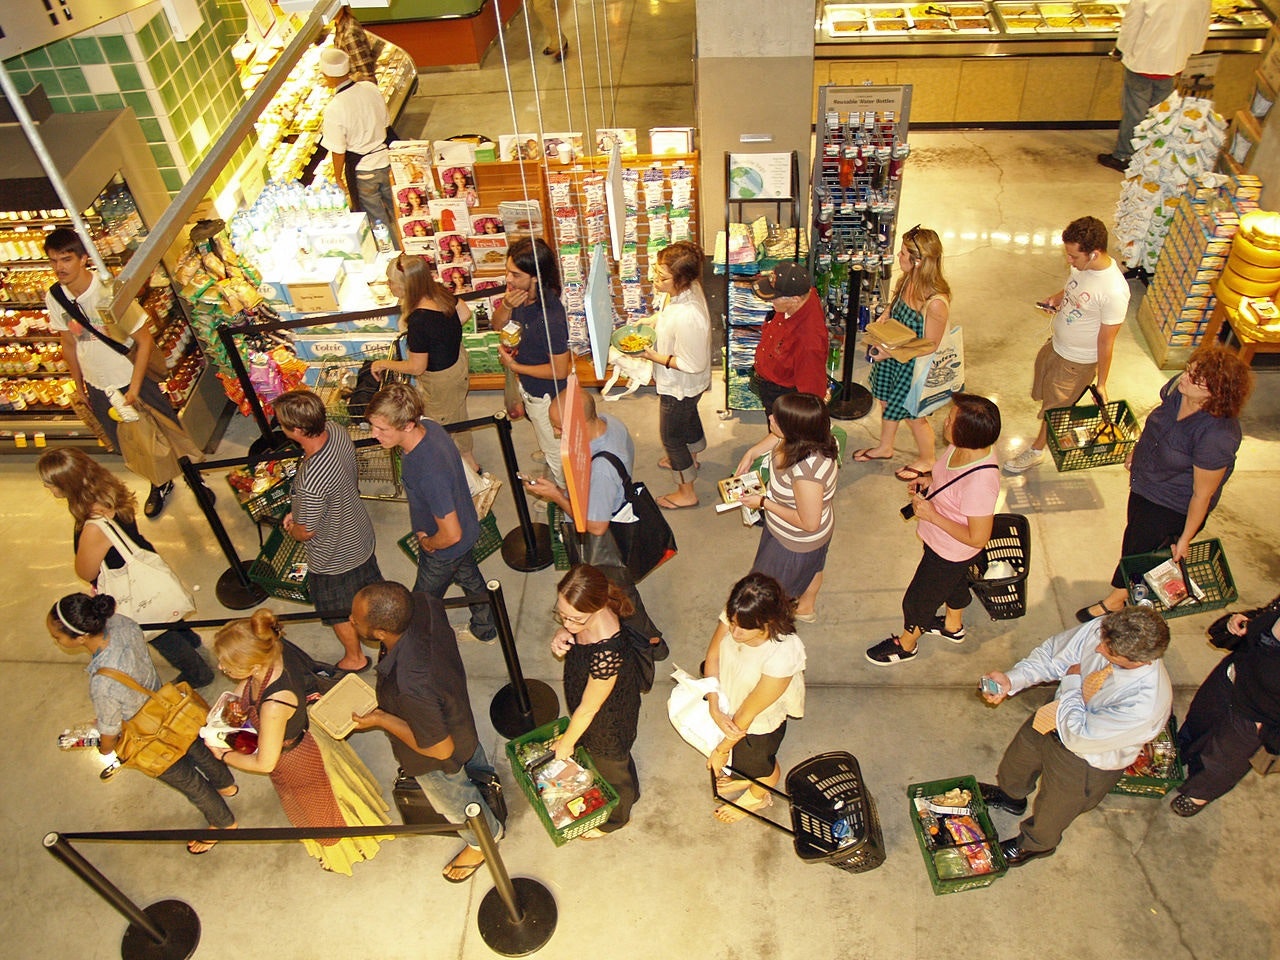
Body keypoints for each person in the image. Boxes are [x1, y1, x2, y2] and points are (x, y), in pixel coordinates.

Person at [978, 607, 1172, 866]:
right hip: (1056, 715)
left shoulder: (1144, 704)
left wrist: (1071, 682)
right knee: (1019, 760)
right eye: (1101, 640)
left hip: (1086, 758)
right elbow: (1055, 656)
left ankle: (1036, 844)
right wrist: (1012, 680)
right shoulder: (1107, 628)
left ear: (1138, 660)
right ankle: (1011, 796)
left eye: (1109, 651)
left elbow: (1078, 736)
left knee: (1056, 807)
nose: (1099, 649)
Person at [48, 593, 237, 855]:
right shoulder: (122, 623)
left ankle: (224, 823)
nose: (56, 641)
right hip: (169, 706)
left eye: (57, 637)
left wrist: (105, 749)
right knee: (197, 747)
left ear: (80, 637)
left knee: (189, 781)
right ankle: (226, 783)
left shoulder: (102, 682)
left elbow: (110, 729)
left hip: (146, 735)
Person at [1075, 344, 1252, 622]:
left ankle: (1117, 599)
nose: (1184, 378)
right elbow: (1157, 424)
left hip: (1172, 504)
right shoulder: (1176, 390)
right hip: (1146, 483)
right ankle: (1126, 591)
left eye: (1195, 378)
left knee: (1139, 550)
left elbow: (1202, 495)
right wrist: (1137, 449)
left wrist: (1185, 538)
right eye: (1188, 370)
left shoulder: (1217, 436)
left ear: (1215, 392)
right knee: (1134, 536)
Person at [211, 610, 390, 874]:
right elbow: (251, 683)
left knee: (321, 813)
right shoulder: (273, 649)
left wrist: (223, 754)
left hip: (296, 761)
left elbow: (265, 763)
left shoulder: (274, 705)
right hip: (307, 738)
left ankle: (344, 853)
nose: (221, 668)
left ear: (254, 664)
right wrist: (235, 702)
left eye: (227, 665)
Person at [349, 581, 503, 882]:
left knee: (456, 803)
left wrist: (382, 718)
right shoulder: (423, 603)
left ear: (381, 633)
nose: (351, 620)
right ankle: (487, 784)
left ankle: (484, 840)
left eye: (357, 618)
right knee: (474, 761)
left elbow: (440, 750)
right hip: (457, 714)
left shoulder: (411, 685)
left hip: (435, 758)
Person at [44, 228, 201, 517]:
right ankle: (160, 482)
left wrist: (134, 388)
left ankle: (195, 479)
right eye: (53, 261)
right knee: (133, 442)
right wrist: (79, 385)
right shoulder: (55, 296)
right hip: (98, 385)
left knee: (168, 431)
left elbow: (144, 342)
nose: (59, 267)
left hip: (132, 379)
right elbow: (68, 342)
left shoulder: (109, 293)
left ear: (84, 259)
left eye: (65, 259)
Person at [38, 447, 212, 687]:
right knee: (164, 608)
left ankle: (198, 674)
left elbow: (86, 571)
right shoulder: (108, 489)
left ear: (68, 485)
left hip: (128, 584)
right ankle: (191, 640)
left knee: (155, 630)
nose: (48, 488)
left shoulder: (94, 525)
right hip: (142, 565)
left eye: (51, 484)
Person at [865, 394, 1001, 666]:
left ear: (967, 433)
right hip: (940, 542)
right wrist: (928, 482)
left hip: (950, 551)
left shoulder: (981, 483)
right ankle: (953, 626)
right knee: (954, 584)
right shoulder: (961, 447)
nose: (944, 422)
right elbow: (950, 478)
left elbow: (978, 537)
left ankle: (906, 645)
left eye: (951, 420)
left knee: (918, 600)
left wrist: (933, 516)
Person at [524, 389, 666, 651]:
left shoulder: (601, 471)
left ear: (578, 425)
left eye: (559, 428)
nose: (556, 434)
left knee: (618, 592)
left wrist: (556, 495)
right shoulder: (610, 424)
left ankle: (651, 644)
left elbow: (596, 526)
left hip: (605, 541)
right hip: (610, 508)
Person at [365, 383, 497, 644]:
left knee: (421, 600)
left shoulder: (429, 472)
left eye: (382, 429)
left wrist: (428, 543)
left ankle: (418, 643)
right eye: (373, 426)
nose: (374, 434)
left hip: (445, 548)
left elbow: (451, 533)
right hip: (467, 529)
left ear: (408, 425)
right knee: (469, 576)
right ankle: (486, 627)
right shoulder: (432, 428)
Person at [1004, 216, 1130, 475]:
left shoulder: (1114, 291)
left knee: (1055, 409)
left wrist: (1102, 383)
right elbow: (1073, 289)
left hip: (1076, 362)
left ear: (1094, 254)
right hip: (1056, 346)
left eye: (1073, 256)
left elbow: (1107, 342)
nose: (1069, 261)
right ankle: (1039, 444)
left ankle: (1037, 450)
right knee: (1046, 394)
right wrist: (1058, 299)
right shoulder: (1084, 269)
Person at [273, 389, 382, 673]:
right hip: (359, 534)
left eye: (282, 424)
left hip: (333, 556)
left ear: (296, 430)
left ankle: (355, 658)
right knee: (371, 596)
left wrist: (293, 526)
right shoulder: (336, 431)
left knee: (335, 610)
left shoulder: (310, 481)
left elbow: (306, 532)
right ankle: (385, 636)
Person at [550, 565, 651, 835]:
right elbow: (574, 627)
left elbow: (588, 709)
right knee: (615, 763)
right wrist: (566, 634)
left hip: (607, 718)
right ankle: (631, 786)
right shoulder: (590, 612)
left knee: (611, 766)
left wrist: (566, 744)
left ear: (596, 608)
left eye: (575, 619)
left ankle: (616, 819)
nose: (567, 623)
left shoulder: (608, 650)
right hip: (592, 699)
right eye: (562, 615)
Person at [702, 573, 806, 824]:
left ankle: (757, 795)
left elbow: (749, 711)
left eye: (743, 627)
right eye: (732, 622)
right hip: (730, 696)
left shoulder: (782, 653)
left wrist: (721, 750)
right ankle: (743, 777)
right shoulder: (739, 612)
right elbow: (713, 655)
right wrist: (714, 705)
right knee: (742, 761)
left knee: (761, 767)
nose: (734, 631)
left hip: (758, 721)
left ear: (768, 621)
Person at [856, 224, 951, 482]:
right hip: (893, 354)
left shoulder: (936, 302)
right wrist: (885, 316)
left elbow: (930, 344)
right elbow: (896, 303)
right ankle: (885, 447)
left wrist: (891, 352)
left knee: (913, 415)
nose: (898, 257)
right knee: (886, 401)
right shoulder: (908, 278)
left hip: (912, 364)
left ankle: (928, 459)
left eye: (903, 254)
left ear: (918, 261)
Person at [732, 392, 838, 622]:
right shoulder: (814, 437)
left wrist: (763, 502)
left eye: (777, 419)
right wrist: (753, 453)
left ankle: (766, 626)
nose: (770, 418)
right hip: (807, 533)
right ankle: (806, 608)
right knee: (815, 567)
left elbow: (809, 523)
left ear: (794, 430)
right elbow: (778, 438)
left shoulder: (805, 473)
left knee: (764, 592)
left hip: (795, 542)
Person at [1172, 595, 1280, 817]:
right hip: (1230, 678)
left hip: (1258, 715)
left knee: (1223, 759)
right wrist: (1245, 621)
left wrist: (1271, 733)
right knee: (1199, 721)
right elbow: (1264, 618)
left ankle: (1200, 791)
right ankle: (1184, 752)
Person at [371, 254, 479, 473]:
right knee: (457, 412)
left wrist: (384, 363)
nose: (389, 286)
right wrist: (443, 337)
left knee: (441, 424)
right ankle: (469, 456)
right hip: (457, 362)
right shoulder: (438, 292)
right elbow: (465, 312)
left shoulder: (419, 321)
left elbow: (416, 367)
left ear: (405, 286)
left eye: (391, 282)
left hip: (440, 380)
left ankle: (466, 470)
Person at [1097, 0, 1212, 172]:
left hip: (1143, 59)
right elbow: (1202, 26)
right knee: (1160, 113)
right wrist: (1190, 51)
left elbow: (1131, 25)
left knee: (1135, 112)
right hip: (1173, 62)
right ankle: (1152, 154)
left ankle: (1124, 155)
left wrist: (1119, 49)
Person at [640, 240, 712, 510]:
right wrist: (651, 322)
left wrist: (650, 356)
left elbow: (692, 363)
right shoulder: (687, 290)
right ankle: (692, 455)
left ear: (680, 279)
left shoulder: (689, 314)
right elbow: (670, 319)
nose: (654, 279)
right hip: (688, 388)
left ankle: (686, 490)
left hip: (680, 384)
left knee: (671, 437)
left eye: (662, 276)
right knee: (688, 415)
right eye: (656, 271)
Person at [494, 237, 572, 486]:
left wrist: (514, 367)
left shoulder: (550, 318)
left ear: (536, 277)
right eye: (508, 271)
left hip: (547, 396)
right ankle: (546, 445)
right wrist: (505, 305)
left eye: (516, 274)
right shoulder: (517, 296)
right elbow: (497, 324)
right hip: (528, 385)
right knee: (541, 429)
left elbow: (560, 371)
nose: (508, 279)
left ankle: (563, 496)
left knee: (558, 453)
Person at [318, 47, 401, 249]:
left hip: (364, 172)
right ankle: (410, 246)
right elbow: (385, 122)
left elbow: (338, 150)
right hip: (386, 160)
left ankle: (394, 255)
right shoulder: (370, 88)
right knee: (399, 211)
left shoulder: (334, 108)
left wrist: (338, 177)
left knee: (377, 221)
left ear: (328, 76)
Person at [749, 262, 829, 420]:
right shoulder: (802, 296)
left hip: (781, 394)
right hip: (770, 380)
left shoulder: (809, 342)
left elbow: (811, 394)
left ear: (795, 299)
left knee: (783, 432)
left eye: (774, 298)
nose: (770, 302)